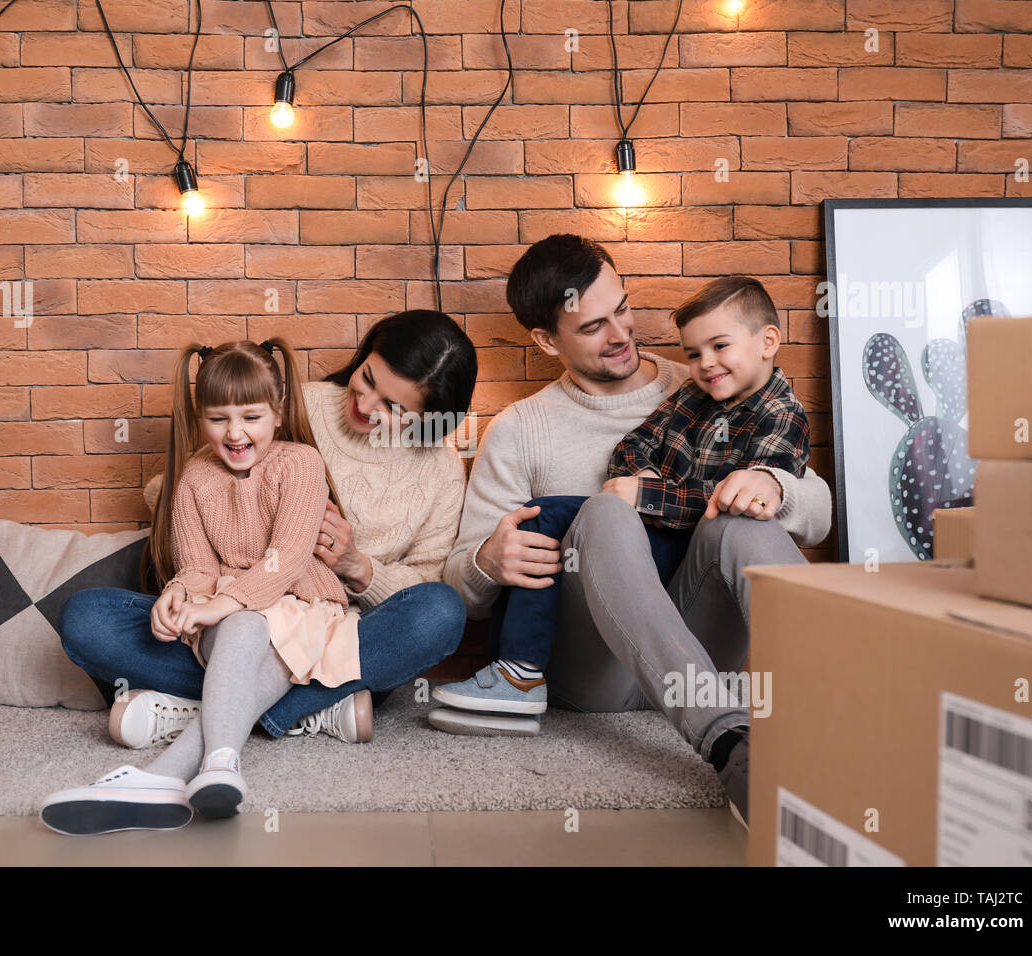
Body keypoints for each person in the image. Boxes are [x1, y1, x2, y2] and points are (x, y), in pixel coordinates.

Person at [440, 235, 833, 828]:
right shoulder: (520, 430)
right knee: (603, 511)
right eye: (593, 326)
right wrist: (486, 562)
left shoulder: (707, 379)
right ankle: (730, 745)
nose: (621, 333)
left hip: (701, 642)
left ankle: (844, 710)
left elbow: (821, 511)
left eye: (621, 308)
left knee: (739, 523)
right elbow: (462, 594)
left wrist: (776, 487)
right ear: (547, 341)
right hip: (595, 671)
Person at [56, 310, 477, 754]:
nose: (366, 405)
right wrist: (192, 579)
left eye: (394, 408)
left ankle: (205, 713)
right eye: (368, 378)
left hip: (332, 635)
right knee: (87, 617)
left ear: (431, 419)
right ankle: (309, 710)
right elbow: (194, 482)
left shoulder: (441, 473)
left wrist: (359, 568)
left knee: (440, 613)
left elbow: (425, 585)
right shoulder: (294, 402)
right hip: (225, 619)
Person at [42, 338, 368, 833]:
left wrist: (221, 606)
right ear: (201, 419)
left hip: (300, 610)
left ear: (277, 414)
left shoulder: (300, 463)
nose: (235, 433)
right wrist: (178, 592)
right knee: (90, 612)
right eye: (218, 420)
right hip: (226, 619)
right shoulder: (194, 476)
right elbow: (197, 567)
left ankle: (178, 770)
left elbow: (287, 560)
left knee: (246, 623)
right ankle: (241, 734)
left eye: (251, 417)